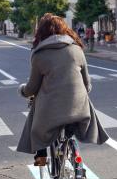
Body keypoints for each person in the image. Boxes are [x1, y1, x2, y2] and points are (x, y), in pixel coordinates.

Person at [17, 13, 109, 166]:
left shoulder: (39, 54)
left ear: (41, 31)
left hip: (51, 111)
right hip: (79, 108)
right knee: (82, 102)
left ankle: (41, 156)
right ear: (64, 29)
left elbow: (32, 87)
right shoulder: (76, 49)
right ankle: (73, 154)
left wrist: (22, 90)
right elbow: (87, 83)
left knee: (35, 118)